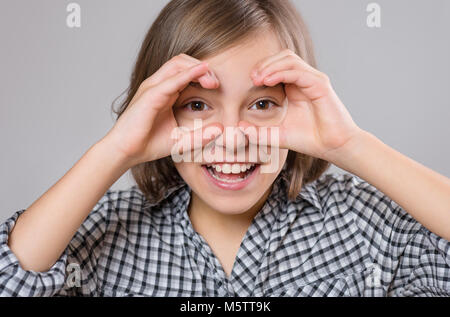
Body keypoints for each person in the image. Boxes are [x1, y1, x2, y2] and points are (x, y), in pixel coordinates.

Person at [1, 0, 449, 297]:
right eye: (197, 105)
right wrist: (115, 150)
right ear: (160, 109)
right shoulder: (103, 232)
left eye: (261, 104)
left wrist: (349, 144)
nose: (232, 137)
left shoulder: (363, 225)